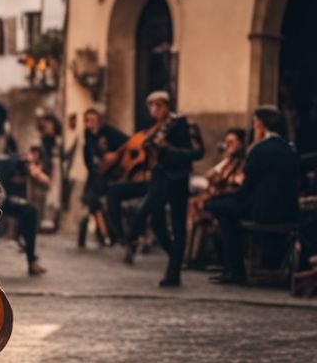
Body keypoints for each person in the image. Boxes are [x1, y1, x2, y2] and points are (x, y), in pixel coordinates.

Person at [205, 107, 302, 285]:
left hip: (264, 211)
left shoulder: (259, 150)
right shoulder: (290, 149)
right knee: (224, 208)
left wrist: (224, 198)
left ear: (261, 126)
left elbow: (246, 189)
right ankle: (232, 267)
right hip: (289, 211)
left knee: (218, 207)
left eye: (254, 125)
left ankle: (234, 269)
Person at [123, 91, 204, 287]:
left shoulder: (184, 124)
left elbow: (196, 152)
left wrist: (167, 147)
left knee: (177, 224)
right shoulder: (155, 128)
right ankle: (174, 256)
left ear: (167, 106)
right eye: (151, 106)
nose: (155, 110)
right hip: (159, 177)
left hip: (177, 177)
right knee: (156, 219)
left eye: (159, 105)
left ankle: (173, 271)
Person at [184, 128, 246, 265]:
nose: (228, 145)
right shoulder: (227, 159)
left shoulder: (242, 162)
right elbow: (210, 174)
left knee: (202, 209)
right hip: (215, 197)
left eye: (232, 142)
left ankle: (200, 255)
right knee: (194, 204)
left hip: (227, 198)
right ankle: (192, 254)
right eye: (226, 142)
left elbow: (233, 180)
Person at [0, 145, 49, 275]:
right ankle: (31, 259)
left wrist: (33, 169)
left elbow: (45, 181)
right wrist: (28, 164)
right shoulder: (16, 161)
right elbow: (15, 167)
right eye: (33, 156)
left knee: (30, 212)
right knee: (30, 212)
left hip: (7, 201)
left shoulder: (26, 167)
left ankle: (31, 259)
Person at [79, 108, 128, 248]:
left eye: (92, 120)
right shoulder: (88, 135)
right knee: (92, 202)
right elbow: (89, 155)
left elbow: (127, 142)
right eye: (86, 120)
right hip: (96, 174)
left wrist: (115, 156)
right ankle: (104, 235)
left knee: (105, 203)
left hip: (110, 175)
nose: (89, 123)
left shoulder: (108, 132)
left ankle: (114, 235)